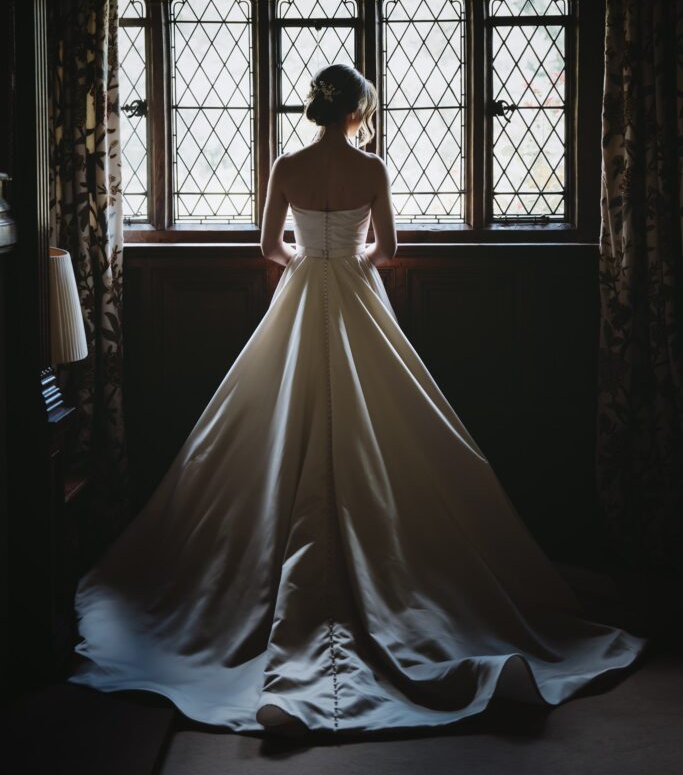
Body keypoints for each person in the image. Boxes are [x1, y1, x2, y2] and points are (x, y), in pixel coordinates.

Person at [68, 63, 647, 736]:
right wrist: (348, 264)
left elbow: (266, 248)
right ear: (357, 111)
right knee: (397, 432)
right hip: (356, 300)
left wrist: (309, 265)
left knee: (264, 426)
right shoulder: (371, 169)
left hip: (303, 292)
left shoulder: (287, 163)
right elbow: (390, 250)